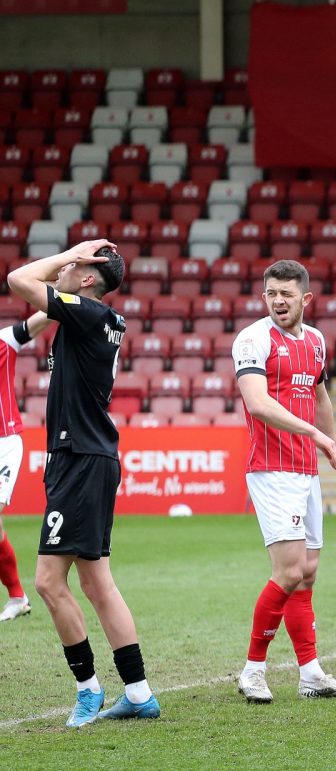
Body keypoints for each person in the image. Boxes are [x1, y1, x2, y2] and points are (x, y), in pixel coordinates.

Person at [8, 240, 160, 726]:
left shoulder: (87, 312)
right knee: (96, 583)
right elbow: (34, 304)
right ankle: (138, 694)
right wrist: (71, 263)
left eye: (74, 267)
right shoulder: (98, 317)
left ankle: (88, 689)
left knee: (48, 582)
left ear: (89, 277)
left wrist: (71, 252)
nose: (64, 270)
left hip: (79, 459)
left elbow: (18, 279)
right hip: (87, 457)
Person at [233, 259, 336, 703]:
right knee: (288, 571)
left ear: (305, 298)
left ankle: (311, 674)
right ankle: (253, 670)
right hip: (271, 469)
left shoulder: (316, 341)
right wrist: (317, 437)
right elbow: (257, 403)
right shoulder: (252, 339)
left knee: (306, 575)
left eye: (286, 294)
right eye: (271, 293)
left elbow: (320, 398)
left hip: (306, 470)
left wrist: (334, 450)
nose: (278, 301)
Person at [0, 309, 52, 623]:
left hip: (5, 443)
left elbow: (46, 314)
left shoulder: (4, 341)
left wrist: (66, 293)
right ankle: (18, 597)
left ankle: (18, 596)